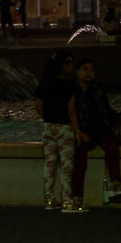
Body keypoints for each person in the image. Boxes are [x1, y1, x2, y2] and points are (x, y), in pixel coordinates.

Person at [71, 59, 121, 207]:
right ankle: (77, 196)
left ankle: (116, 183)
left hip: (99, 129)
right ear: (77, 72)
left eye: (92, 70)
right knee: (79, 158)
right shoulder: (72, 90)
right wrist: (78, 132)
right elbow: (69, 114)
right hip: (81, 130)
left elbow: (106, 110)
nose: (89, 72)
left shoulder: (97, 89)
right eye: (85, 69)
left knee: (112, 146)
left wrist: (120, 118)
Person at [38, 51, 81, 211]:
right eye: (68, 63)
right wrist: (76, 131)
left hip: (48, 127)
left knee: (49, 165)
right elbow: (71, 111)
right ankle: (67, 202)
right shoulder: (69, 85)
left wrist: (48, 117)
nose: (70, 66)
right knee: (66, 166)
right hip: (64, 127)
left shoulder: (44, 83)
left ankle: (50, 200)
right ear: (63, 66)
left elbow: (38, 106)